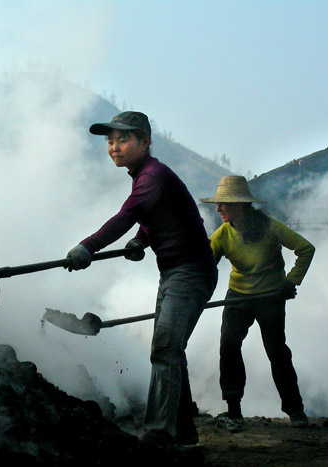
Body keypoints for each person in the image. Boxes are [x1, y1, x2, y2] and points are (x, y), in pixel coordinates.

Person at [66, 111, 218, 446]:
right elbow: (152, 214)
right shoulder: (146, 176)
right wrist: (141, 240)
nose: (114, 147)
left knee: (165, 346)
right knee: (170, 348)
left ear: (145, 142)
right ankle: (184, 430)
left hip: (191, 272)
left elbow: (128, 214)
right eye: (109, 141)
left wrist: (87, 247)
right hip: (175, 271)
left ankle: (161, 432)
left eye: (122, 140)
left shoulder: (151, 176)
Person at [200, 175, 315, 429]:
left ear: (240, 205)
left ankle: (295, 410)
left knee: (276, 351)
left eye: (224, 204)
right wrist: (194, 295)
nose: (218, 209)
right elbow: (204, 267)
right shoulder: (222, 235)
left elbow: (306, 249)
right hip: (238, 296)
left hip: (270, 297)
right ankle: (233, 410)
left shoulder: (270, 227)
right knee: (229, 347)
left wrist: (290, 282)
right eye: (218, 204)